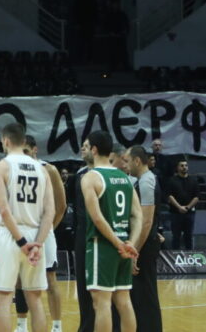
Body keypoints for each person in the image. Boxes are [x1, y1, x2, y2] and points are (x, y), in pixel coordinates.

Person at [0, 123, 54, 332]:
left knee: (3, 299)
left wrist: (22, 243)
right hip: (36, 235)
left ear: (5, 141)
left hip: (11, 235)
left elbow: (4, 210)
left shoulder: (1, 167)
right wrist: (37, 244)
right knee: (35, 299)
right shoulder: (42, 169)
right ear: (24, 141)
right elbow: (50, 213)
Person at [80, 131, 142, 332]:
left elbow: (97, 218)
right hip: (124, 245)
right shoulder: (124, 177)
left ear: (95, 149)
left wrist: (118, 244)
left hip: (103, 246)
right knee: (124, 300)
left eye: (88, 146)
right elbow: (137, 216)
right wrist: (130, 243)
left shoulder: (91, 177)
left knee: (102, 303)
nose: (86, 149)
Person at [15, 135, 67, 332]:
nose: (24, 156)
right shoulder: (14, 170)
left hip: (44, 232)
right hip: (22, 231)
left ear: (35, 150)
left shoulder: (49, 169)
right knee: (20, 280)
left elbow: (61, 206)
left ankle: (56, 326)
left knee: (50, 280)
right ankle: (21, 325)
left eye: (27, 152)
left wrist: (46, 231)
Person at [124, 145, 163, 332]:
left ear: (137, 161)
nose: (126, 165)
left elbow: (146, 221)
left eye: (127, 161)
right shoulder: (141, 180)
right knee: (139, 294)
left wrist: (134, 252)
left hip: (145, 245)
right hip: (145, 242)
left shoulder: (147, 182)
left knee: (146, 294)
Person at [74, 138, 97, 332]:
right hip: (83, 233)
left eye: (87, 146)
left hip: (101, 233)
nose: (83, 148)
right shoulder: (79, 174)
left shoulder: (104, 174)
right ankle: (86, 326)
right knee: (83, 284)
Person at [166, 160, 200, 250]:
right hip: (175, 213)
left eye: (186, 165)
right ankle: (174, 258)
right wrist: (179, 207)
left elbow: (196, 197)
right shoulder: (172, 180)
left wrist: (188, 207)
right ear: (177, 168)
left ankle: (190, 258)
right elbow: (170, 196)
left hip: (190, 213)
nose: (184, 167)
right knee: (176, 236)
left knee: (189, 236)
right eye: (182, 165)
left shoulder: (193, 181)